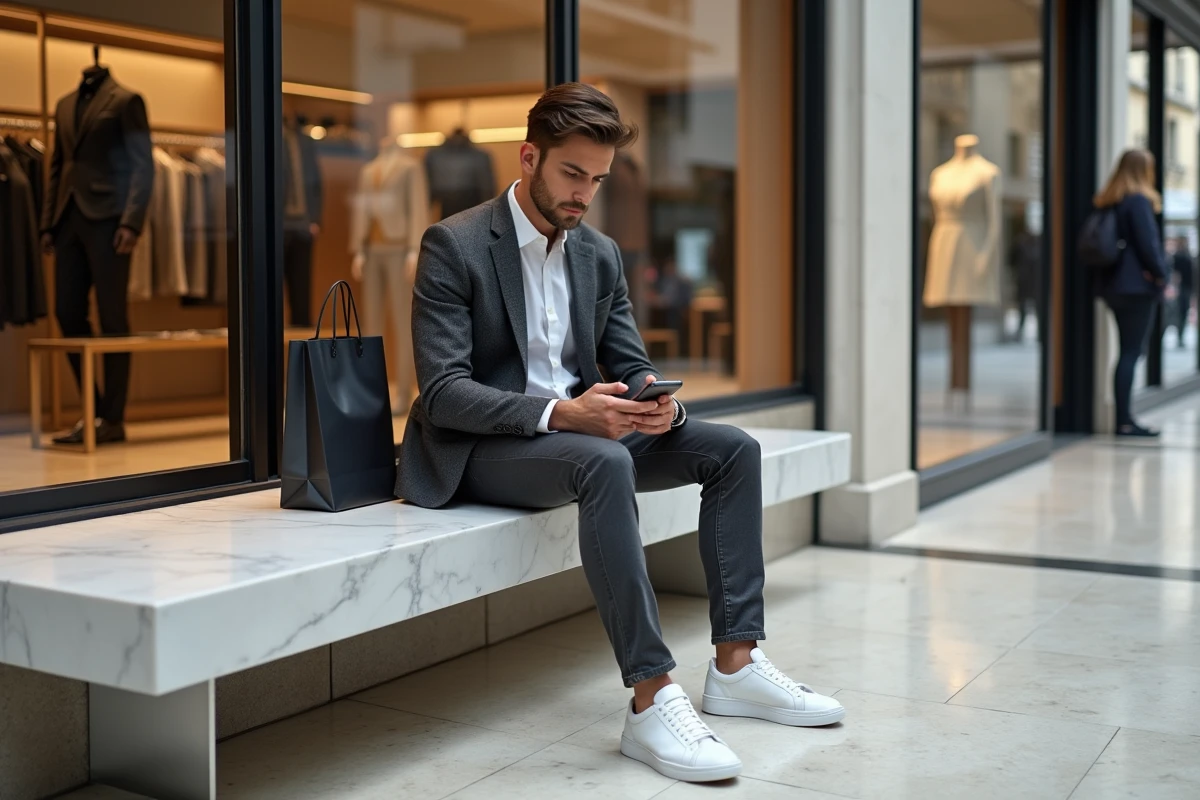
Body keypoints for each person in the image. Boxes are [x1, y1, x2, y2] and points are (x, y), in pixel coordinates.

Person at [396, 83, 845, 783]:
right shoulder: (455, 245)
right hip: (479, 449)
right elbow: (445, 393)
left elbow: (629, 362)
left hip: (578, 436)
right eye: (572, 174)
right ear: (528, 158)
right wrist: (563, 413)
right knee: (603, 462)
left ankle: (736, 663)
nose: (584, 194)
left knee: (732, 451)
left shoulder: (596, 253)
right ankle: (650, 697)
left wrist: (654, 405)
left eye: (598, 180)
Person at [1093, 149, 1169, 437]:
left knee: (1126, 352)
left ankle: (1123, 418)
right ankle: (1124, 421)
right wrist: (1162, 275)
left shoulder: (1110, 200)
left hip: (1114, 286)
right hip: (1136, 286)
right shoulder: (1138, 201)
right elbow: (1148, 245)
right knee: (1131, 352)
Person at [1173, 235, 1195, 348]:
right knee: (1179, 314)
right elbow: (1176, 275)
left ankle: (1180, 337)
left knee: (1183, 314)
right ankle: (1179, 337)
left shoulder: (1187, 255)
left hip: (1187, 288)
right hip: (1182, 289)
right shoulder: (1178, 256)